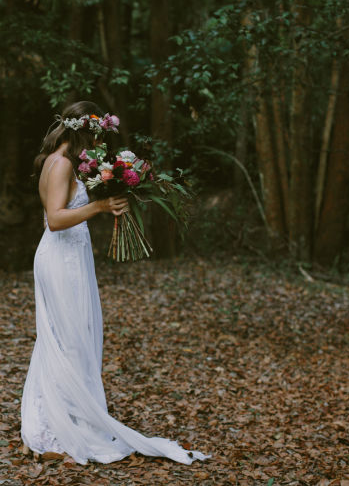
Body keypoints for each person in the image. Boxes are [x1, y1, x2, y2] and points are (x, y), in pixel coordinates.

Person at [20, 101, 209, 465]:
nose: (96, 144)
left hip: (70, 256)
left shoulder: (61, 162)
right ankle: (60, 428)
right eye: (95, 136)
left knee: (67, 337)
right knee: (68, 340)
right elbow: (56, 219)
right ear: (83, 131)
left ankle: (61, 418)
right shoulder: (59, 164)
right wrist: (100, 208)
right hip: (60, 257)